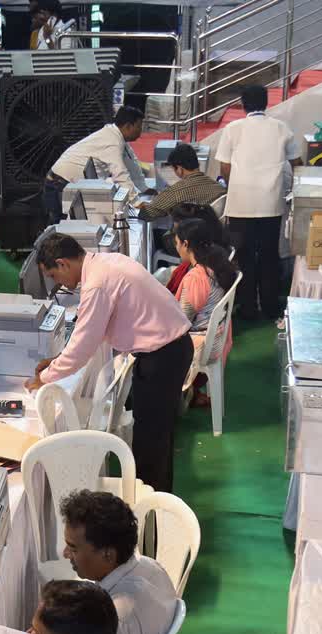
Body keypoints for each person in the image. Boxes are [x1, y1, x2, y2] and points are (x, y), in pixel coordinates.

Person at [27, 234, 192, 492]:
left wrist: (44, 378)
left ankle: (150, 514)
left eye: (54, 277)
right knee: (157, 439)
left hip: (162, 357)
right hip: (169, 350)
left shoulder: (96, 284)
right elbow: (89, 329)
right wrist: (57, 361)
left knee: (151, 445)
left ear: (62, 264)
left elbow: (83, 345)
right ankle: (155, 504)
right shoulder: (106, 262)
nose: (59, 284)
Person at [59, 490, 176, 634]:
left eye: (73, 548)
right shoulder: (153, 568)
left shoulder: (116, 619)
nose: (65, 554)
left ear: (108, 554)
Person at [215, 84, 302, 321]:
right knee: (269, 256)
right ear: (266, 103)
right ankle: (271, 306)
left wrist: (236, 185)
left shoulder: (233, 129)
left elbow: (225, 167)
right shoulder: (281, 128)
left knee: (243, 258)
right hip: (271, 205)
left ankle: (248, 308)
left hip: (240, 205)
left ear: (243, 104)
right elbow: (298, 163)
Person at [173, 217, 239, 407]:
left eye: (177, 243)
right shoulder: (217, 265)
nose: (176, 248)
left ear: (186, 244)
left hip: (202, 344)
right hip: (217, 338)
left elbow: (181, 321)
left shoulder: (196, 277)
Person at [46, 106, 150, 223]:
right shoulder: (112, 141)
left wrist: (143, 188)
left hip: (67, 183)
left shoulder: (116, 136)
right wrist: (136, 202)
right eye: (139, 126)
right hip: (59, 184)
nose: (141, 131)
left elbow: (132, 163)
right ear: (128, 126)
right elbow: (120, 174)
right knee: (59, 232)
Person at [138, 143, 226, 221]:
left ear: (180, 169)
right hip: (214, 234)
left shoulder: (177, 191)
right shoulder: (219, 187)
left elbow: (147, 214)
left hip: (187, 236)